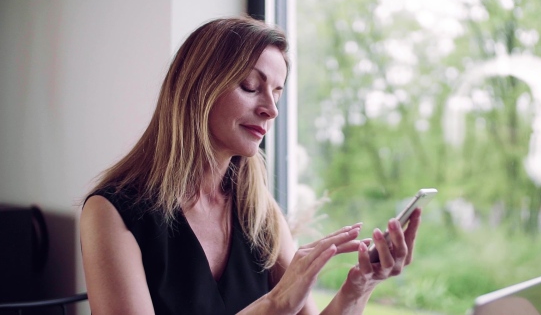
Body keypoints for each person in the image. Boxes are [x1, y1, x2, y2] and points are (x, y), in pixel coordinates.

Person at [80, 16, 421, 315]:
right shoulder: (110, 213)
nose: (271, 110)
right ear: (198, 88)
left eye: (277, 93)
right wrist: (274, 305)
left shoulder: (259, 213)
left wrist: (359, 287)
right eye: (250, 86)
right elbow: (279, 306)